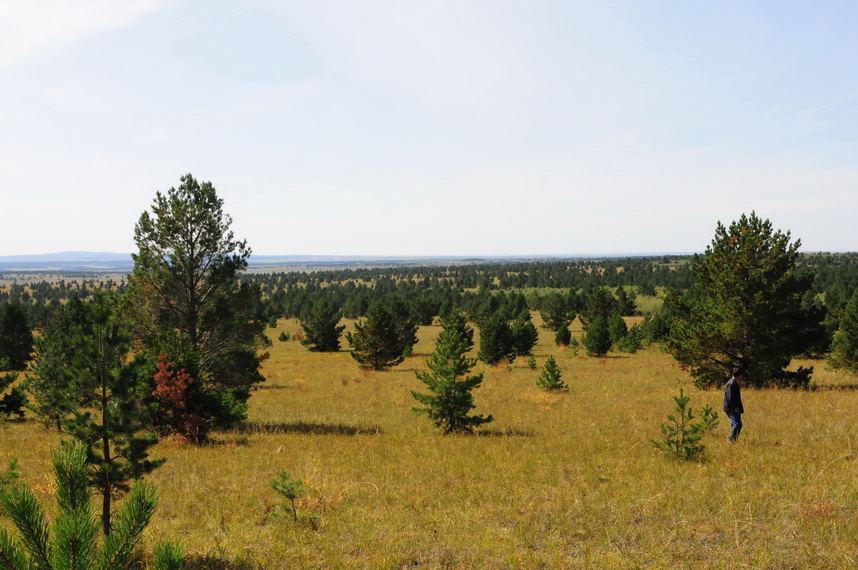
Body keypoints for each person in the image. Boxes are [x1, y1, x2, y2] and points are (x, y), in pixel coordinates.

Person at [723, 367, 745, 442]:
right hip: (731, 408)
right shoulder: (731, 384)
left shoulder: (734, 383)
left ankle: (734, 440)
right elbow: (730, 397)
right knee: (737, 424)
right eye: (741, 375)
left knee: (734, 423)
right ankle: (730, 439)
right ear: (739, 376)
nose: (742, 377)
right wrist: (735, 407)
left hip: (733, 408)